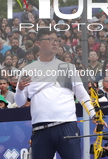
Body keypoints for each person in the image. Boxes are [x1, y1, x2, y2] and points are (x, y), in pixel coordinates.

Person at [15, 29, 96, 159]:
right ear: (38, 43)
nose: (55, 43)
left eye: (56, 40)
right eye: (50, 39)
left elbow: (81, 94)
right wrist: (19, 90)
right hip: (40, 129)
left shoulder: (67, 67)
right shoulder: (27, 70)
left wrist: (94, 114)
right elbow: (20, 102)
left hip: (67, 125)